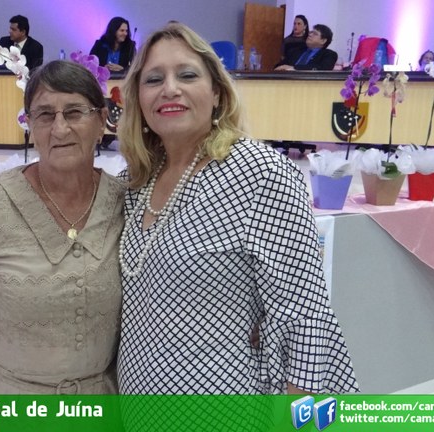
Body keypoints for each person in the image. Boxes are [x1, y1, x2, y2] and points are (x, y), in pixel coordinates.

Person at [117, 21, 357, 397]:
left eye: (187, 75)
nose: (170, 88)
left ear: (217, 92)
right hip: (137, 406)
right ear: (138, 98)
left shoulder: (259, 173)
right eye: (153, 79)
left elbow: (307, 314)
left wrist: (296, 414)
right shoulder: (136, 181)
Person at [0, 60, 124, 394]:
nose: (59, 129)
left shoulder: (125, 202)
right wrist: (8, 348)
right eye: (45, 115)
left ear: (102, 120)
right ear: (30, 125)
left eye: (74, 112)